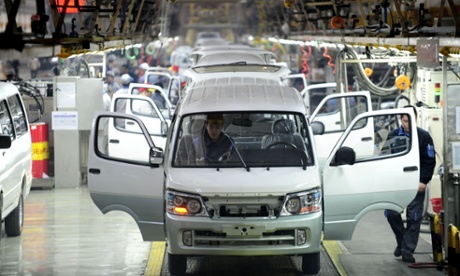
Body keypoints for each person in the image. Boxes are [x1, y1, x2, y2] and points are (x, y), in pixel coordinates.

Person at [384, 105, 436, 263]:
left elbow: (429, 160)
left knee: (414, 218)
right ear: (401, 120)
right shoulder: (393, 135)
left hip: (416, 183)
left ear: (416, 119)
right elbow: (385, 157)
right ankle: (401, 242)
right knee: (392, 214)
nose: (408, 124)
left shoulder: (424, 136)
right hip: (397, 184)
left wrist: (423, 181)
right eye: (405, 121)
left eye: (411, 121)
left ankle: (407, 251)